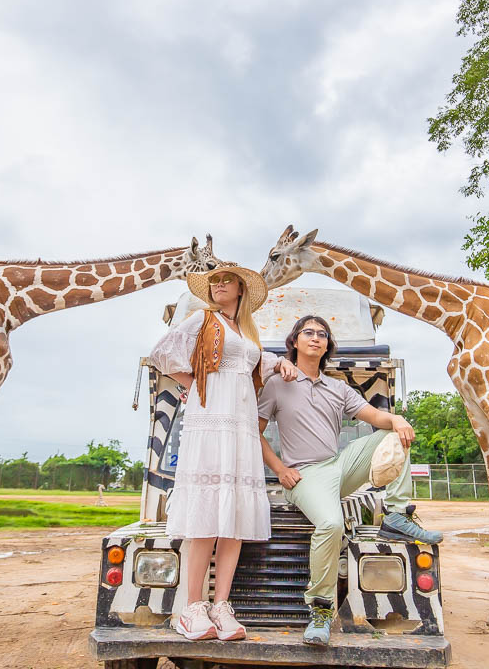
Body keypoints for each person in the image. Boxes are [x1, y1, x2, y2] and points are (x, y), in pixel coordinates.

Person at [258, 314, 443, 647]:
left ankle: (397, 516)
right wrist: (280, 469)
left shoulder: (338, 388)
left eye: (322, 334)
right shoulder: (277, 384)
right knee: (331, 524)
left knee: (393, 432)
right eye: (308, 332)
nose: (316, 337)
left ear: (328, 345)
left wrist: (398, 417)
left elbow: (374, 417)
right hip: (306, 475)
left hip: (338, 466)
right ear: (295, 341)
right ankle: (320, 610)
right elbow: (254, 434)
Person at [148, 263, 297, 642]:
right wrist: (196, 383)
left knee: (233, 517)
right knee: (206, 513)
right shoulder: (202, 319)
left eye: (224, 280)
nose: (217, 286)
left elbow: (257, 364)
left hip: (241, 426)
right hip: (210, 419)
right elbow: (161, 353)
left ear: (241, 288)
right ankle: (192, 607)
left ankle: (221, 606)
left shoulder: (246, 331)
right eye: (213, 281)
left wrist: (282, 362)